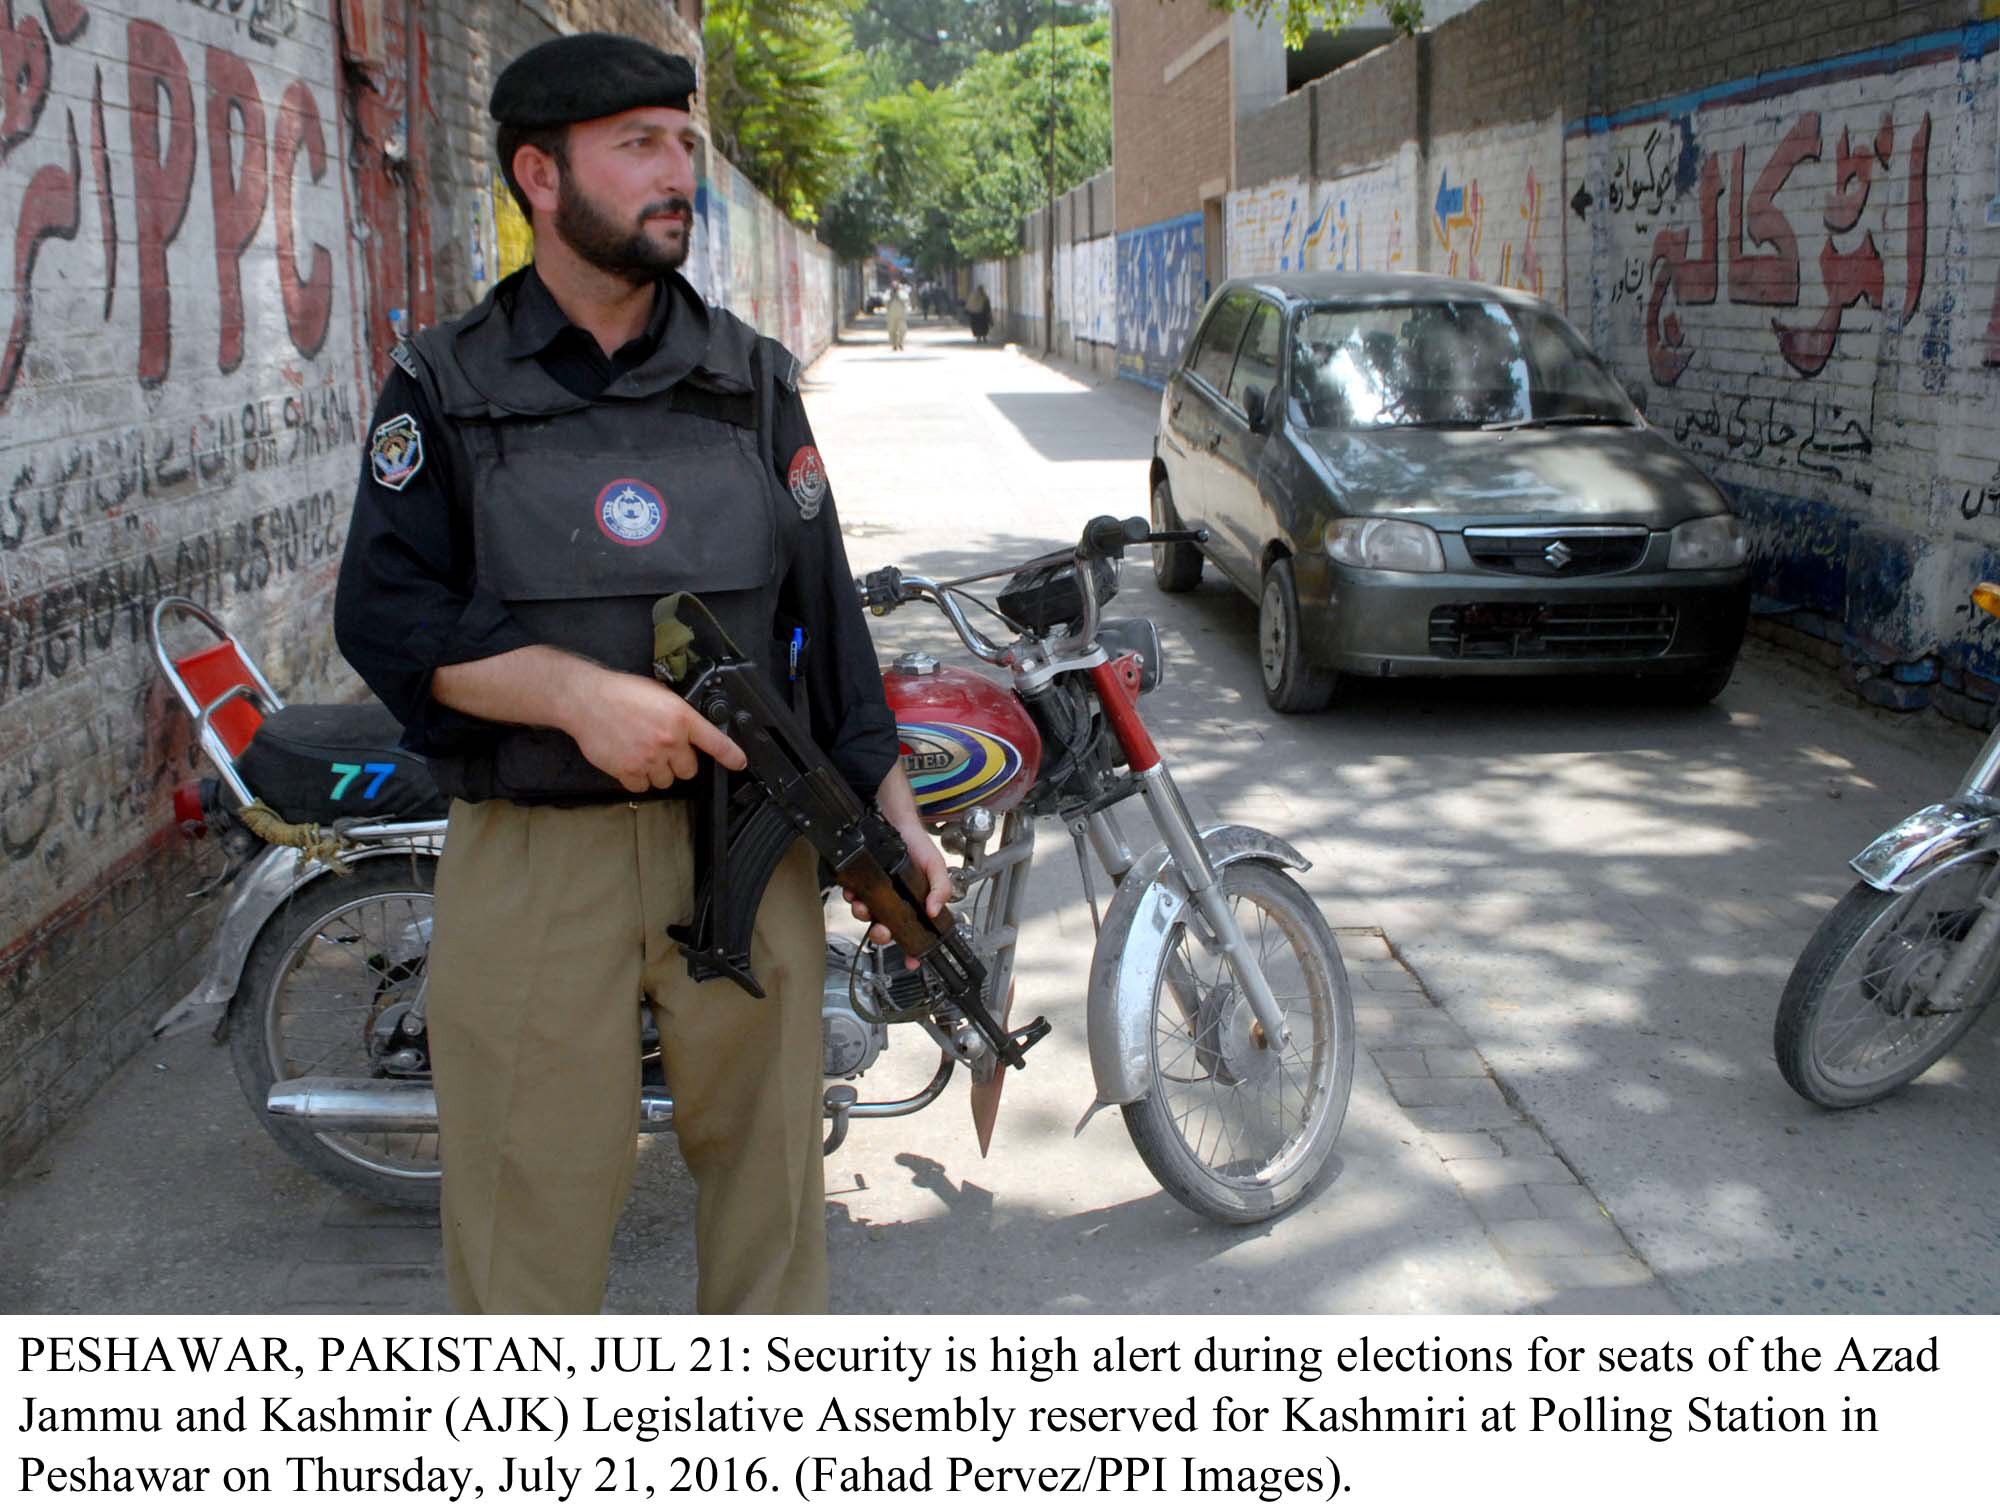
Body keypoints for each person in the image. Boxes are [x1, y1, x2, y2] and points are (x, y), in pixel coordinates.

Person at [332, 32, 948, 1316]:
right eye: (638, 145)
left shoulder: (750, 381)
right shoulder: (443, 382)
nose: (678, 172)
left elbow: (825, 617)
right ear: (540, 176)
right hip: (533, 854)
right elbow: (385, 613)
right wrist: (567, 694)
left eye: (682, 142)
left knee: (774, 1213)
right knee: (521, 1229)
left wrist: (886, 813)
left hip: (752, 843)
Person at [885, 281, 910, 351]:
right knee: (891, 331)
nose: (895, 288)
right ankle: (894, 344)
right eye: (893, 287)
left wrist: (898, 297)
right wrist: (891, 298)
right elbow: (885, 302)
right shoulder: (888, 293)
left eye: (896, 287)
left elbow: (906, 302)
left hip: (901, 315)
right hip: (891, 316)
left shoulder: (903, 293)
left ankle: (900, 343)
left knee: (903, 330)